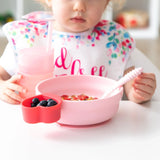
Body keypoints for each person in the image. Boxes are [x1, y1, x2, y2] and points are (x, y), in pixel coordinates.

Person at [0, 0, 156, 104]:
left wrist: (138, 90)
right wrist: (2, 87)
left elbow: (127, 80)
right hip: (40, 125)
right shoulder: (29, 37)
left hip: (97, 125)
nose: (79, 6)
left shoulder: (113, 40)